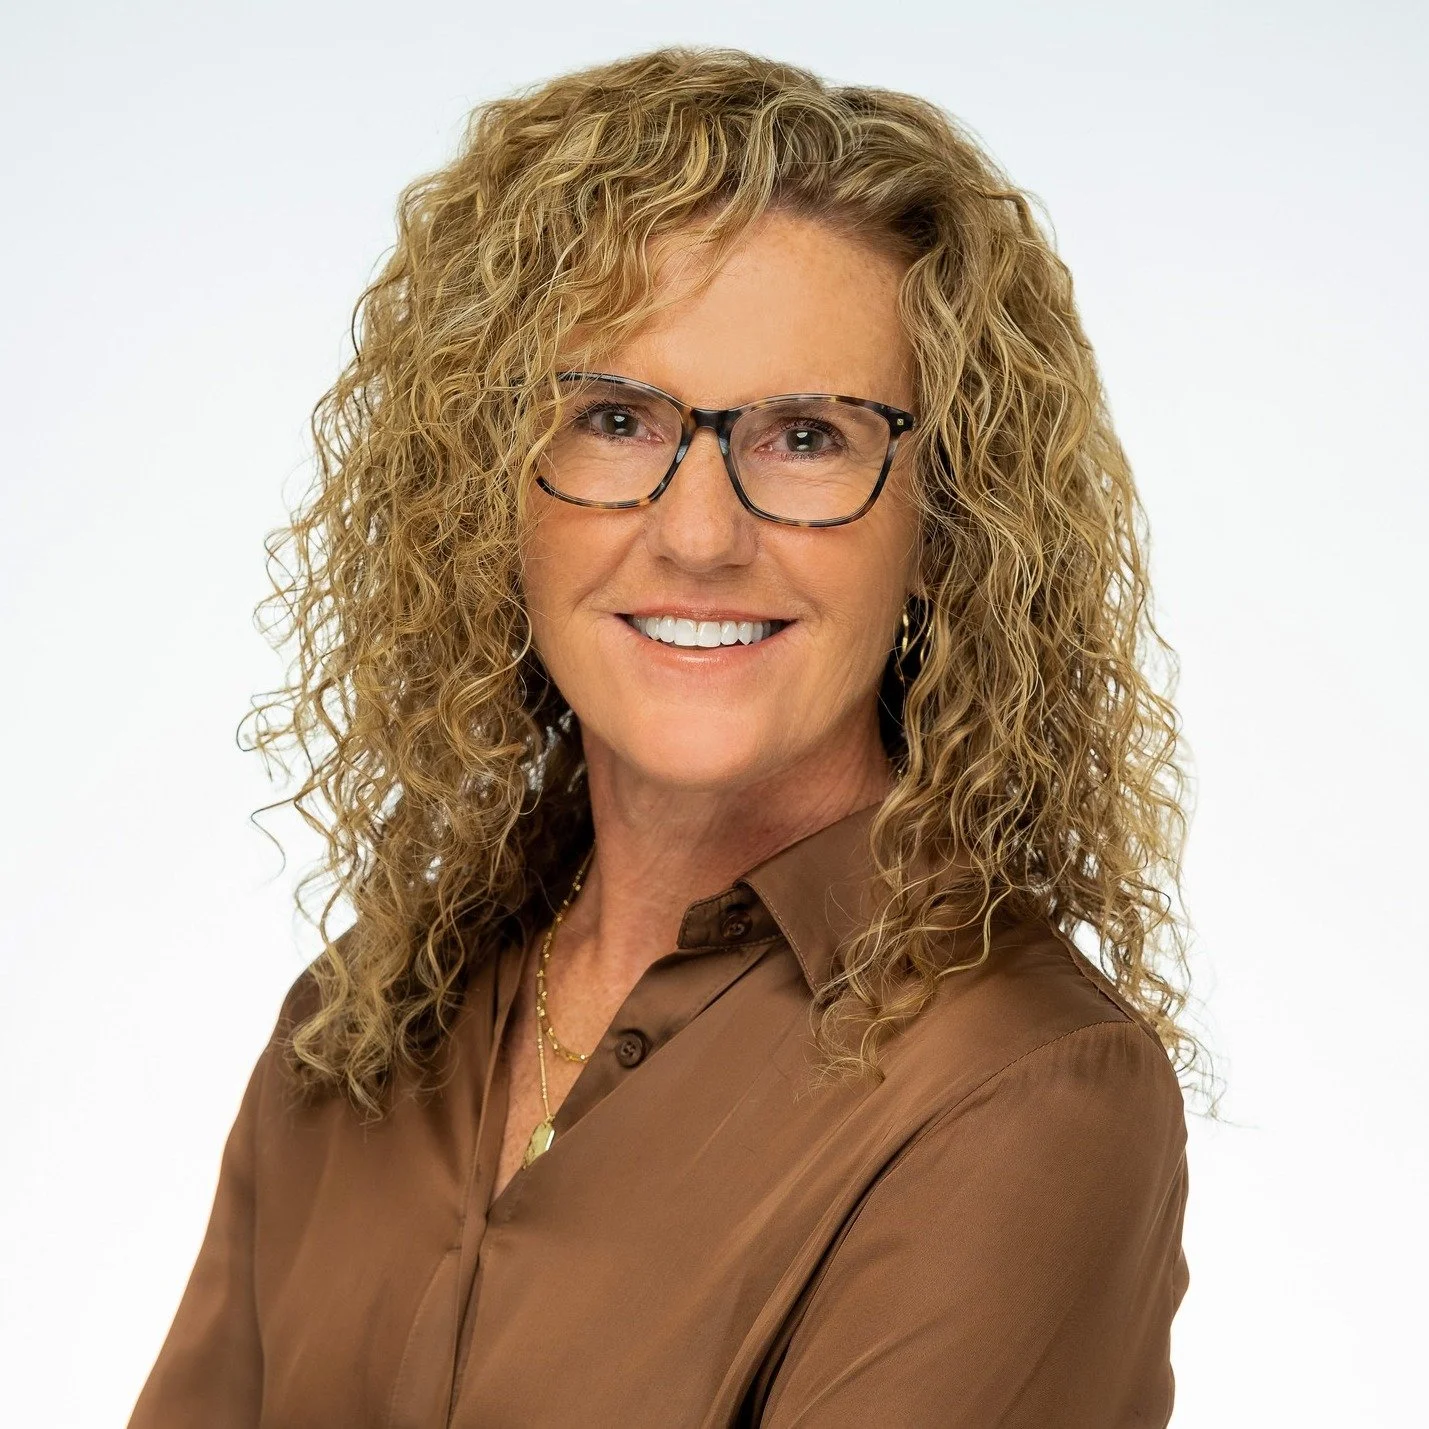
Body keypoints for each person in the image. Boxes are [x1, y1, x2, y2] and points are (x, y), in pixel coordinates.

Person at [129, 44, 1205, 1428]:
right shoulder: (357, 1035)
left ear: (946, 527)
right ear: (490, 495)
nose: (698, 535)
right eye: (615, 420)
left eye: (808, 437)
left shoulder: (1023, 1096)